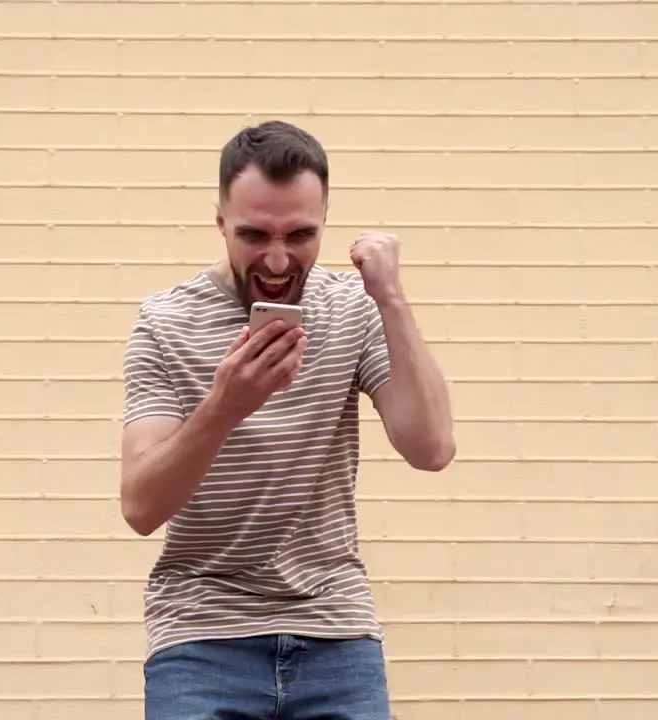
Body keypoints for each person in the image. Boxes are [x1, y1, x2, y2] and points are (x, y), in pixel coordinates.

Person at [118, 119, 456, 720]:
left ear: (327, 219)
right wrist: (224, 407)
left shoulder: (354, 308)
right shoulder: (164, 323)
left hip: (336, 632)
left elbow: (430, 448)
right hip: (201, 636)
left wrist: (393, 298)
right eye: (254, 235)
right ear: (220, 221)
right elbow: (141, 507)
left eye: (301, 234)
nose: (277, 260)